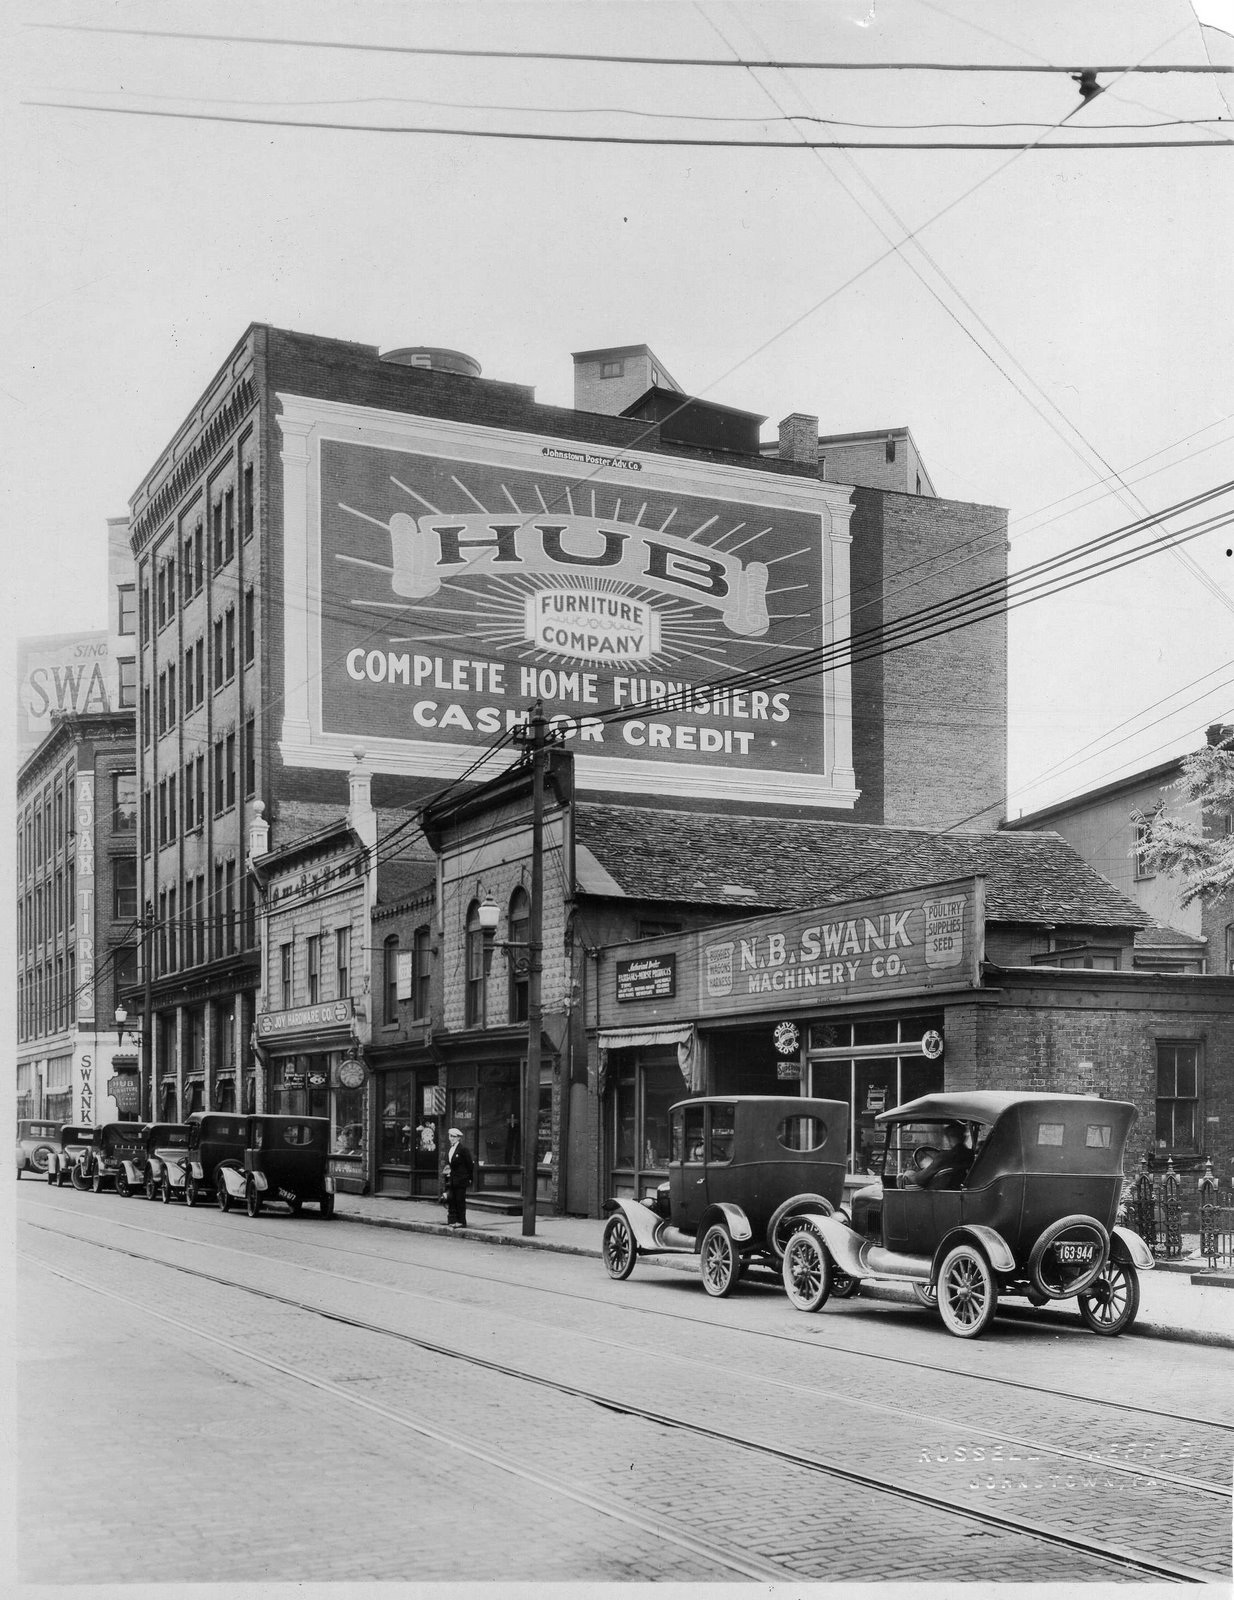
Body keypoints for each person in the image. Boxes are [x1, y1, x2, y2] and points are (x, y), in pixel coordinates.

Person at [903, 1122, 972, 1189]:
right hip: (958, 1190)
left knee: (905, 1176)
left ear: (949, 1138)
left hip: (940, 1195)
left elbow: (921, 1179)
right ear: (964, 1137)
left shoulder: (945, 1157)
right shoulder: (970, 1155)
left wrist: (909, 1175)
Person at [441, 1126, 474, 1228]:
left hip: (461, 1179)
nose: (452, 1138)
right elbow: (449, 1164)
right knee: (454, 1200)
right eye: (450, 1136)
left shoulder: (463, 1149)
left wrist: (469, 1178)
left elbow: (469, 1164)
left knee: (460, 1200)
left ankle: (462, 1221)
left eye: (454, 1137)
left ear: (459, 1138)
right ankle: (454, 1220)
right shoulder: (451, 1149)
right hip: (453, 1179)